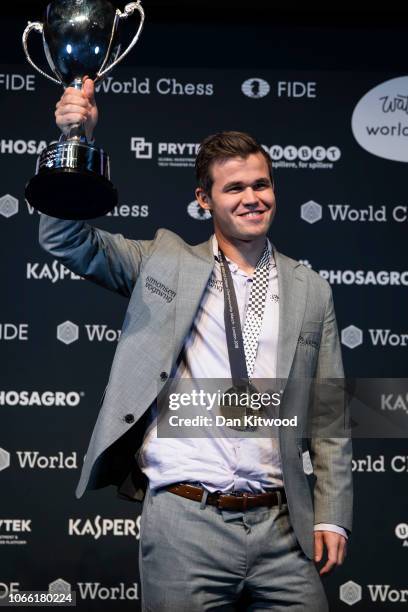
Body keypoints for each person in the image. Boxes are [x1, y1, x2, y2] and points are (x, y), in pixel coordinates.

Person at [40, 78, 353, 611]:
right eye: (234, 189)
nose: (253, 198)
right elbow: (63, 239)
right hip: (186, 521)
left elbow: (328, 415)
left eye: (262, 184)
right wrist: (75, 141)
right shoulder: (162, 263)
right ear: (203, 200)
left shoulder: (311, 289)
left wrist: (331, 514)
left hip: (283, 525)